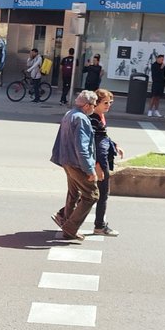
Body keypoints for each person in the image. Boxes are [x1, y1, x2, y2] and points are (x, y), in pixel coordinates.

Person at [50, 90, 99, 242]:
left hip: (67, 160)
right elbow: (82, 148)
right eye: (93, 104)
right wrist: (90, 170)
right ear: (86, 105)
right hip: (77, 164)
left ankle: (64, 220)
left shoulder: (69, 114)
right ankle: (70, 227)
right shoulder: (82, 119)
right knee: (91, 195)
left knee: (73, 193)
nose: (94, 107)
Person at [90, 89, 121, 236]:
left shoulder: (100, 116)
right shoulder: (93, 119)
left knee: (88, 194)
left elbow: (104, 136)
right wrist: (97, 167)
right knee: (101, 195)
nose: (108, 105)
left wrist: (115, 146)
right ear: (96, 103)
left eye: (110, 103)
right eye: (105, 103)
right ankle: (99, 226)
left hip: (101, 161)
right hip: (98, 163)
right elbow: (93, 144)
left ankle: (65, 216)